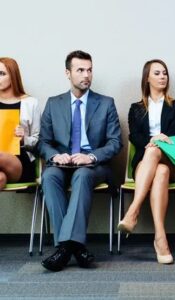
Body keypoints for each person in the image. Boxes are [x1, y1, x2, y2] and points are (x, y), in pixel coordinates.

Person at [38, 50, 122, 271]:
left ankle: (64, 249)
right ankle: (75, 247)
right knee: (49, 176)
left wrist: (91, 156)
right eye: (80, 70)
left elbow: (115, 143)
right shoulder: (53, 103)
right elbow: (43, 142)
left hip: (94, 166)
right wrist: (55, 155)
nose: (87, 75)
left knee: (82, 175)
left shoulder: (105, 103)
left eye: (90, 70)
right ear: (68, 73)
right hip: (62, 163)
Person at [117, 59, 175, 264]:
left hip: (172, 158)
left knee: (157, 154)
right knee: (160, 171)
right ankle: (160, 237)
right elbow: (134, 136)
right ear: (147, 78)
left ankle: (133, 211)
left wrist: (157, 140)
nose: (162, 76)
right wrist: (151, 140)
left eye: (164, 73)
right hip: (146, 162)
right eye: (157, 73)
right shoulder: (136, 108)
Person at [0, 57, 40, 189]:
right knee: (0, 178)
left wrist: (24, 139)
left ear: (13, 76)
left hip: (20, 161)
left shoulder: (31, 103)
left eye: (2, 74)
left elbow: (38, 141)